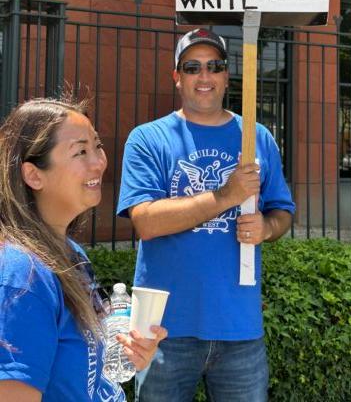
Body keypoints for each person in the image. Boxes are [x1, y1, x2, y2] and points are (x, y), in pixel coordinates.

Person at [117, 28, 295, 401]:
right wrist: (225, 195)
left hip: (239, 327)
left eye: (214, 66)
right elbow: (146, 222)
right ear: (177, 77)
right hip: (163, 330)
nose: (204, 76)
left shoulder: (256, 137)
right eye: (192, 67)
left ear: (226, 76)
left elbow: (283, 213)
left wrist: (267, 227)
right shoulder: (148, 138)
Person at [0, 98, 167, 402]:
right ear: (33, 175)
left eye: (97, 146)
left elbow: (85, 372)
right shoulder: (22, 275)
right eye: (80, 152)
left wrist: (128, 352)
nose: (100, 162)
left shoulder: (72, 254)